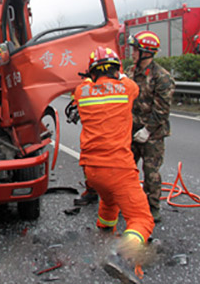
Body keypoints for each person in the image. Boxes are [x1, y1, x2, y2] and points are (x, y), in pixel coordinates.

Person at [70, 46, 155, 284]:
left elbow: (87, 83)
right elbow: (130, 83)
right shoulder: (127, 88)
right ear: (116, 69)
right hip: (118, 168)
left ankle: (105, 232)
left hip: (92, 171)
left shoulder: (81, 91)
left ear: (92, 72)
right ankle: (123, 257)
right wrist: (120, 72)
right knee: (142, 219)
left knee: (109, 200)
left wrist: (91, 76)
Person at [127, 31, 175, 223]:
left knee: (151, 172)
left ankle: (152, 208)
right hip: (132, 130)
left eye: (136, 50)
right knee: (128, 169)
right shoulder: (131, 72)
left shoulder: (161, 77)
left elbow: (162, 109)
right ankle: (130, 203)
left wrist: (147, 130)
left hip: (152, 134)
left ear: (146, 52)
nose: (133, 53)